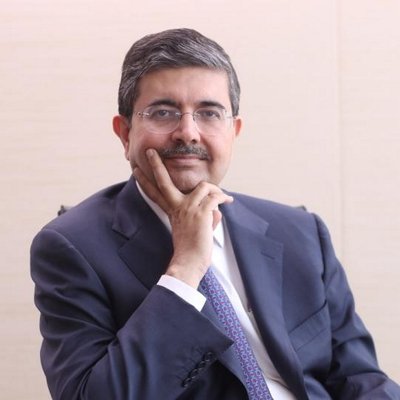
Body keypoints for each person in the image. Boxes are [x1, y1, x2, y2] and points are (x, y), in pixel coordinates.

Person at [31, 28, 400, 400]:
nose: (187, 133)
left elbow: (360, 378)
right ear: (125, 133)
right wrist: (184, 268)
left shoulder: (301, 233)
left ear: (234, 131)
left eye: (209, 113)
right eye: (163, 112)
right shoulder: (71, 247)